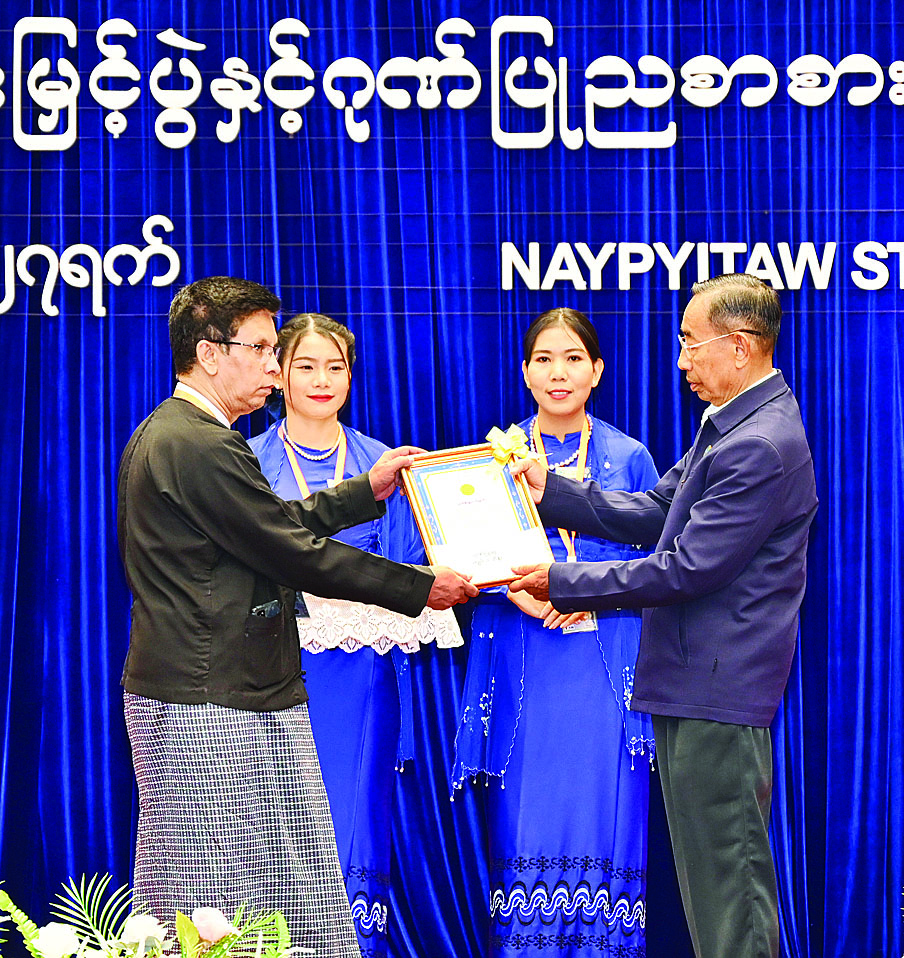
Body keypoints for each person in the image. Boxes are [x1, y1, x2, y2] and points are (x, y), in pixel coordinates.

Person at [117, 277, 477, 957]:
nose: (273, 366)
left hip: (215, 689)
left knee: (235, 892)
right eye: (259, 348)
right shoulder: (200, 443)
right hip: (209, 698)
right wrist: (417, 587)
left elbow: (272, 525)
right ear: (209, 353)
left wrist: (362, 493)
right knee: (211, 895)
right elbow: (291, 551)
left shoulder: (180, 433)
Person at [510, 275, 818, 958]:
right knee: (711, 887)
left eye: (690, 343)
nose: (681, 361)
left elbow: (685, 569)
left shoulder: (759, 442)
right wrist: (549, 490)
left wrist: (563, 582)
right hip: (691, 684)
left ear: (738, 347)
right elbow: (655, 510)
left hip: (717, 690)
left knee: (729, 892)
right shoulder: (733, 421)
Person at [249, 313, 464, 957]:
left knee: (353, 821)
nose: (321, 380)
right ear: (279, 375)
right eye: (306, 366)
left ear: (350, 376)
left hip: (364, 674)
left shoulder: (385, 463)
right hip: (268, 677)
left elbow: (413, 568)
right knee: (270, 830)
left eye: (335, 367)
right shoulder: (247, 463)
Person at [452, 308, 659, 958]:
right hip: (525, 657)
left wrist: (586, 594)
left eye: (573, 358)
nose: (558, 372)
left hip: (605, 657)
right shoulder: (493, 456)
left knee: (605, 821)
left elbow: (662, 560)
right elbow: (466, 554)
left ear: (597, 371)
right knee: (527, 824)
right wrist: (518, 591)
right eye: (544, 358)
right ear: (524, 371)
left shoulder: (630, 457)